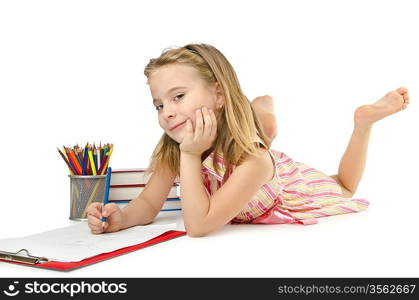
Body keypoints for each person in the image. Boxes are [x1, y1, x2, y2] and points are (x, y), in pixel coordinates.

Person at [87, 43, 410, 237]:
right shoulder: (173, 149)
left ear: (218, 93)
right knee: (259, 134)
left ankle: (363, 123)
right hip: (240, 153)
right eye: (159, 105)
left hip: (279, 188)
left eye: (179, 96)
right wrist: (121, 218)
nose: (167, 113)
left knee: (344, 185)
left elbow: (198, 227)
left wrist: (191, 154)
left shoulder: (253, 161)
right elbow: (147, 204)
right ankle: (261, 121)